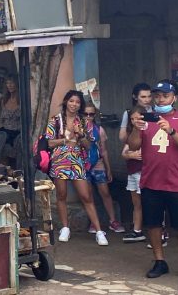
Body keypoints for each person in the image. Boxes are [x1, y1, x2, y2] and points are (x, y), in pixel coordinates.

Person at [127, 80, 178, 282]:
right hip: (151, 181)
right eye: (157, 96)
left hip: (177, 183)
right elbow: (133, 146)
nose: (160, 99)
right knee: (153, 224)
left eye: (165, 96)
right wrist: (135, 128)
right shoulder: (146, 119)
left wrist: (172, 131)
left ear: (173, 98)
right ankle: (160, 261)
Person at [45, 90, 108, 246]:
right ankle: (65, 228)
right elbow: (49, 143)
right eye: (72, 101)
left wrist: (80, 136)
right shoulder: (56, 120)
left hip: (77, 162)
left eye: (77, 102)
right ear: (66, 101)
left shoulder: (84, 122)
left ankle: (99, 231)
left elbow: (88, 146)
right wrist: (67, 138)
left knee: (86, 196)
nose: (74, 104)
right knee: (61, 195)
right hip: (60, 161)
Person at [120, 82, 152, 243]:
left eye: (149, 96)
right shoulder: (131, 128)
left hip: (146, 169)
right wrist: (131, 154)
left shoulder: (153, 116)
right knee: (136, 202)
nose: (147, 100)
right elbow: (125, 151)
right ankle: (137, 229)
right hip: (133, 170)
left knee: (151, 201)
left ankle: (158, 232)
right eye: (143, 96)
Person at [84, 106, 124, 234]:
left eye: (91, 114)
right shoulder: (77, 130)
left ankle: (113, 221)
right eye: (86, 114)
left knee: (105, 193)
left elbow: (104, 150)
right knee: (88, 195)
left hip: (98, 164)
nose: (89, 116)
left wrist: (108, 169)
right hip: (83, 166)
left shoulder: (99, 130)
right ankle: (94, 222)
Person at [0, 76, 21, 158]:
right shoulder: (4, 100)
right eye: (8, 83)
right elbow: (2, 120)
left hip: (18, 133)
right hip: (6, 132)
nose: (10, 85)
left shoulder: (21, 100)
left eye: (12, 83)